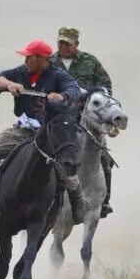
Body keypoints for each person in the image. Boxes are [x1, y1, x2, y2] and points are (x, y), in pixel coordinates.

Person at [0, 39, 88, 224]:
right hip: (23, 131)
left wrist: (62, 96)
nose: (25, 60)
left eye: (29, 56)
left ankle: (78, 201)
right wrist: (9, 85)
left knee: (66, 165)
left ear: (42, 58)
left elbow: (74, 90)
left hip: (51, 134)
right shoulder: (21, 72)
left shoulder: (58, 75)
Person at [50, 27, 116, 218]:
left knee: (104, 157)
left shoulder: (91, 62)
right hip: (58, 119)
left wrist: (95, 101)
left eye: (67, 43)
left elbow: (106, 87)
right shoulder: (50, 63)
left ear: (76, 44)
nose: (62, 46)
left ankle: (104, 201)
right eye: (60, 42)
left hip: (87, 119)